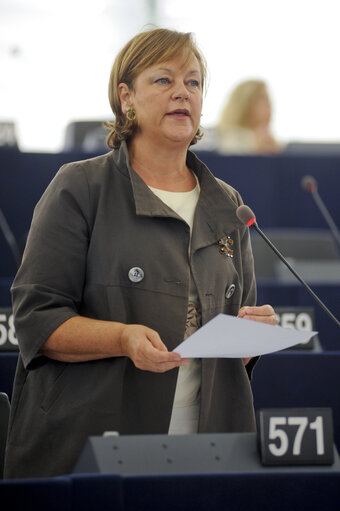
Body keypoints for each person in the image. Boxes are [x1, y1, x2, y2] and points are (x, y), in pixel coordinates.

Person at [4, 28, 276, 479]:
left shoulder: (228, 204)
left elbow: (232, 344)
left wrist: (250, 337)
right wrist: (121, 338)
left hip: (208, 438)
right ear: (126, 97)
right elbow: (37, 319)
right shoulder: (79, 187)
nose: (182, 93)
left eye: (193, 82)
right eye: (163, 80)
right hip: (97, 439)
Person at [216, 79, 281, 154]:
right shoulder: (225, 141)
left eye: (269, 100)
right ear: (246, 103)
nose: (270, 105)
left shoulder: (273, 143)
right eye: (264, 99)